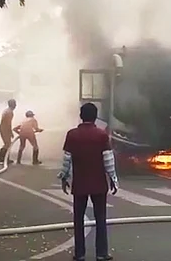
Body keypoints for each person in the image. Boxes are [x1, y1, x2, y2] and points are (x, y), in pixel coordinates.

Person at [57, 102, 118, 261]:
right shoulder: (101, 135)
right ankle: (102, 253)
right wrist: (113, 179)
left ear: (81, 116)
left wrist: (64, 178)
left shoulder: (72, 135)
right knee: (100, 219)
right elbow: (108, 160)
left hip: (80, 184)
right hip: (99, 185)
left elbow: (66, 160)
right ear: (95, 116)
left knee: (78, 220)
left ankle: (79, 254)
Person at [0, 99, 17, 164]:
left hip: (3, 128)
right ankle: (2, 158)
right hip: (4, 128)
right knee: (7, 144)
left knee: (7, 144)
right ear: (13, 104)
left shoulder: (6, 110)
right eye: (15, 103)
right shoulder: (9, 112)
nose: (15, 105)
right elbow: (8, 123)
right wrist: (10, 132)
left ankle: (4, 158)